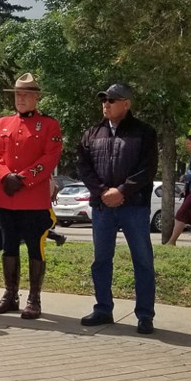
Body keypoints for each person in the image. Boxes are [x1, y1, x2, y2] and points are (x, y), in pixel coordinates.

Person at [77, 83, 158, 334]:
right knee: (101, 260)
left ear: (127, 104)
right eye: (104, 100)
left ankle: (145, 315)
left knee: (142, 261)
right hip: (103, 207)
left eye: (112, 100)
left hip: (133, 206)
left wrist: (122, 191)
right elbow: (83, 167)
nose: (106, 104)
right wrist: (102, 192)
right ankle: (103, 309)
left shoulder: (144, 132)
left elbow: (148, 169)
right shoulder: (91, 133)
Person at [0, 73, 63, 320]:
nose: (20, 99)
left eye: (26, 95)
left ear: (36, 98)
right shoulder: (2, 124)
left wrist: (24, 178)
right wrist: (5, 175)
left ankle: (34, 297)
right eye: (17, 94)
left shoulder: (49, 125)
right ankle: (10, 295)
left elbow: (50, 158)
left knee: (34, 247)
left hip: (32, 197)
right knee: (8, 246)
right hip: (6, 196)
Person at [164, 134, 191, 247]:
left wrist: (184, 177)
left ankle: (172, 242)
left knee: (181, 214)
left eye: (189, 143)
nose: (187, 146)